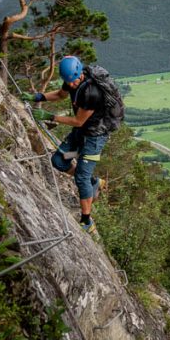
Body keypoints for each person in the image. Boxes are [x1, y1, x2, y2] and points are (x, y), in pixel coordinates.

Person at [22, 56, 109, 233]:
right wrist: (38, 96)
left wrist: (50, 117)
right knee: (59, 160)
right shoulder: (71, 81)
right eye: (68, 81)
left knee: (81, 178)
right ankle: (94, 182)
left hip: (93, 139)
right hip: (80, 135)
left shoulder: (91, 92)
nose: (72, 84)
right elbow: (61, 95)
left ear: (80, 74)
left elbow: (78, 121)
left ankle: (87, 221)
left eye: (74, 81)